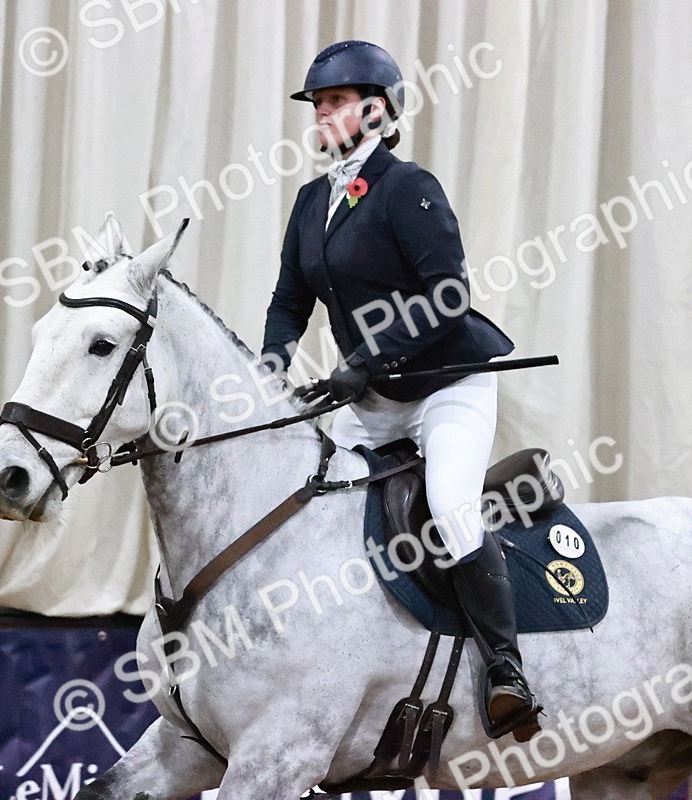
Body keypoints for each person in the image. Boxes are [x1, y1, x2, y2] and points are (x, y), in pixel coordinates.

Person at [260, 40, 542, 740]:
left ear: (377, 110)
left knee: (449, 509)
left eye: (333, 102)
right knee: (314, 508)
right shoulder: (311, 202)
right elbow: (289, 300)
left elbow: (448, 293)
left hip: (446, 386)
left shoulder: (407, 186)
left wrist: (365, 360)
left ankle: (506, 669)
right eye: (318, 104)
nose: (321, 114)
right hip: (373, 403)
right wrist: (267, 374)